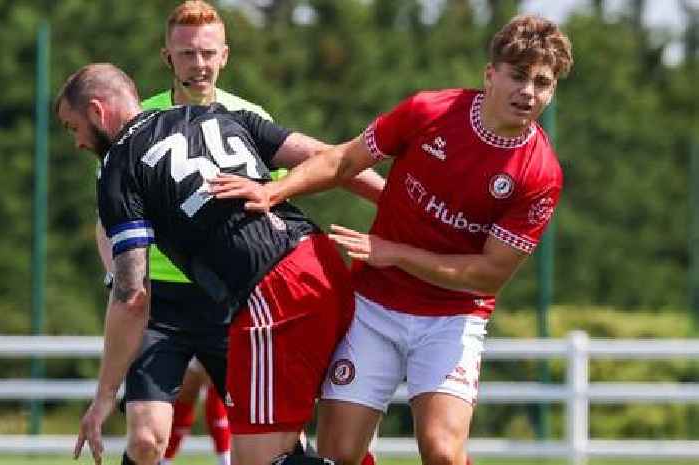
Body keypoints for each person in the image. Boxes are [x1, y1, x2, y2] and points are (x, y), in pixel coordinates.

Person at [208, 14, 573, 465]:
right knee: (338, 455)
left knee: (441, 451)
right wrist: (272, 190)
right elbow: (343, 160)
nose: (528, 93)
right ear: (490, 74)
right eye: (518, 76)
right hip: (375, 308)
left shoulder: (540, 174)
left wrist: (396, 253)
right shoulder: (430, 112)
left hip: (452, 318)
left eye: (542, 83)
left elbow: (489, 274)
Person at [59, 64, 383, 465]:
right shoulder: (217, 115)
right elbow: (328, 157)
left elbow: (131, 295)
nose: (77, 142)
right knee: (303, 447)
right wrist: (398, 206)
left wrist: (104, 397)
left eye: (73, 128)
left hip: (273, 293)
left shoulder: (118, 168)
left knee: (258, 459)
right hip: (321, 260)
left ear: (96, 111)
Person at [92, 3, 277, 465]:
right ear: (167, 57)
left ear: (225, 56)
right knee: (146, 440)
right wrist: (120, 280)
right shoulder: (138, 124)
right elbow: (107, 220)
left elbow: (281, 198)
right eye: (187, 53)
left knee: (267, 440)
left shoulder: (249, 117)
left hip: (232, 301)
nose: (198, 64)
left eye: (207, 52)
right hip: (161, 305)